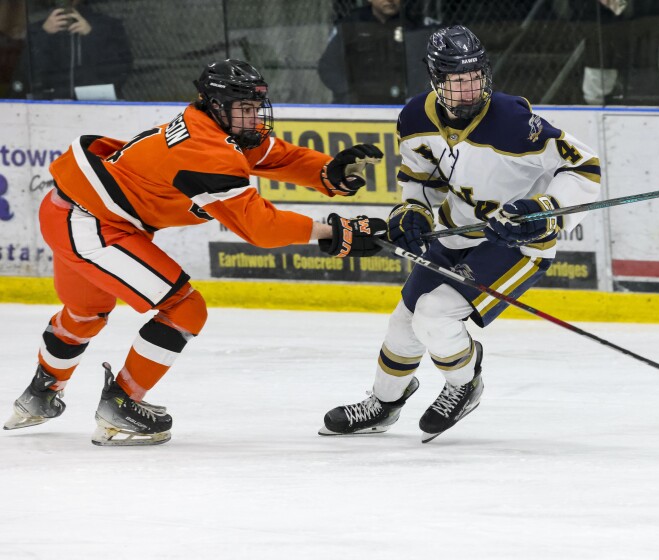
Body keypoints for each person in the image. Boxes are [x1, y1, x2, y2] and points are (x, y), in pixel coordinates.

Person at [3, 58, 386, 446]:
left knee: (85, 312)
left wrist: (327, 173)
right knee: (185, 308)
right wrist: (334, 233)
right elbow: (260, 227)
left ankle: (39, 395)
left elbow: (275, 155)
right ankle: (121, 402)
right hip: (91, 226)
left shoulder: (214, 126)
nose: (254, 118)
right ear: (217, 104)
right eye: (246, 109)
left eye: (256, 108)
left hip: (70, 213)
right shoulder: (205, 150)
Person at [318, 25, 601, 442]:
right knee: (404, 323)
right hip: (454, 233)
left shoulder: (514, 122)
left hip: (517, 245)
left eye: (474, 78)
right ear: (436, 80)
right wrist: (412, 211)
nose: (468, 90)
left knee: (436, 314)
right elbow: (420, 179)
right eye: (456, 81)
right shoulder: (416, 117)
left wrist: (544, 210)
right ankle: (384, 404)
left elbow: (584, 166)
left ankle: (463, 385)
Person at [317, 0, 437, 104]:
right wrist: (348, 92)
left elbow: (428, 69)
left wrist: (417, 96)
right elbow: (328, 67)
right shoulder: (350, 25)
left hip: (404, 104)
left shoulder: (416, 26)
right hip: (359, 105)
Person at [20, 0, 133, 99]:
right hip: (50, 106)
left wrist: (91, 35)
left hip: (97, 104)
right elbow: (25, 77)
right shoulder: (38, 29)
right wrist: (43, 34)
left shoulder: (108, 26)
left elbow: (120, 70)